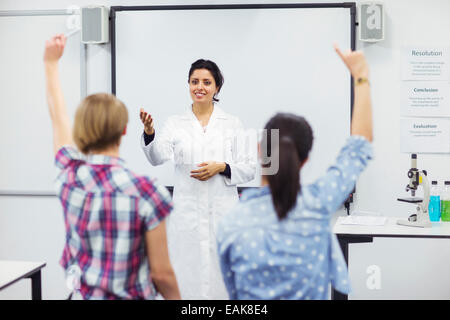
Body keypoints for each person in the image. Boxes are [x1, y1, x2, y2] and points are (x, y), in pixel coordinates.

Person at [216, 45, 373, 300]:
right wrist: (361, 75)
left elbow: (234, 292)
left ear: (259, 150)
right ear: (305, 159)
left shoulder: (231, 223)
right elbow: (360, 144)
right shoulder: (316, 203)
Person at [44, 34, 180, 300]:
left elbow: (57, 117)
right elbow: (162, 274)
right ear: (125, 130)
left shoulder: (70, 177)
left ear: (80, 129)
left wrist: (50, 64)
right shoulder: (146, 191)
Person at [139, 59, 256, 299]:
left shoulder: (233, 123)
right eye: (194, 82)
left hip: (221, 212)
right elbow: (157, 157)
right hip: (187, 215)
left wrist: (221, 167)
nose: (199, 87)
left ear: (217, 88)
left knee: (221, 277)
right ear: (188, 85)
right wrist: (150, 133)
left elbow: (249, 168)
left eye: (206, 82)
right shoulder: (175, 123)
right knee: (187, 274)